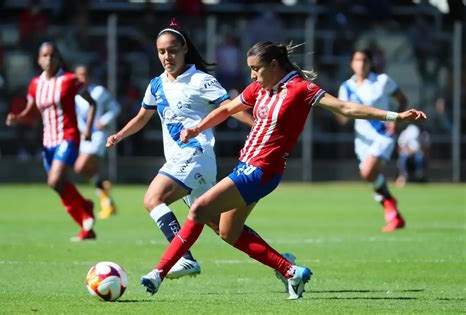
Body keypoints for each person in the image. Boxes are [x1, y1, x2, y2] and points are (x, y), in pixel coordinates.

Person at [139, 41, 426, 300]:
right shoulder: (260, 88)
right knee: (228, 231)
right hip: (247, 166)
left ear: (274, 65)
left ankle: (160, 273)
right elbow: (227, 109)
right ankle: (291, 272)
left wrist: (396, 115)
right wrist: (198, 127)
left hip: (261, 170)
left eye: (256, 69)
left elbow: (345, 108)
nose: (252, 76)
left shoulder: (301, 88)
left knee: (198, 209)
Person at [106, 20, 254, 279]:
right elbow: (142, 117)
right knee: (223, 228)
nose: (167, 56)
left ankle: (184, 258)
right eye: (162, 51)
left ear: (184, 48)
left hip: (195, 156)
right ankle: (283, 264)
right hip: (182, 162)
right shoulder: (156, 84)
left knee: (153, 199)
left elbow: (229, 107)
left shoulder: (201, 80)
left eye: (172, 50)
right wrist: (119, 134)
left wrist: (258, 125)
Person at [6, 41, 97, 241]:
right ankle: (85, 221)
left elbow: (92, 103)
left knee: (55, 180)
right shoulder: (35, 84)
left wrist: (88, 128)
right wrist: (17, 117)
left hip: (69, 136)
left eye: (53, 55)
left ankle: (85, 212)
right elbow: (31, 113)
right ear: (39, 60)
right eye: (45, 55)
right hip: (48, 141)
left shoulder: (70, 80)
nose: (49, 59)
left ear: (58, 59)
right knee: (58, 185)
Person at [337, 48, 409, 232]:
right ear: (352, 63)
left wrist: (395, 122)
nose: (360, 64)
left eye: (364, 60)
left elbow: (402, 99)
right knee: (371, 176)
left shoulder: (382, 81)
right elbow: (343, 117)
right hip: (362, 140)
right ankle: (393, 211)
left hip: (382, 136)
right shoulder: (346, 87)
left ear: (370, 63)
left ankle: (390, 203)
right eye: (357, 60)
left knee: (368, 173)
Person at [74, 64, 120, 219]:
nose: (82, 78)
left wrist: (104, 120)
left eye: (85, 74)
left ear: (90, 76)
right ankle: (106, 198)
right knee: (88, 170)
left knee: (81, 166)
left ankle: (104, 192)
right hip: (84, 137)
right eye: (79, 75)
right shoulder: (75, 95)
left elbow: (115, 107)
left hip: (98, 135)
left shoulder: (99, 91)